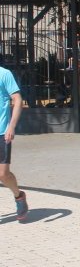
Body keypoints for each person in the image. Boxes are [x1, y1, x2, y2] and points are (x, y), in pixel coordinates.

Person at [0, 66, 27, 221]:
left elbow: (17, 100)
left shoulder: (4, 74)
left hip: (2, 132)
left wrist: (12, 126)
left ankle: (19, 196)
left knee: (3, 175)